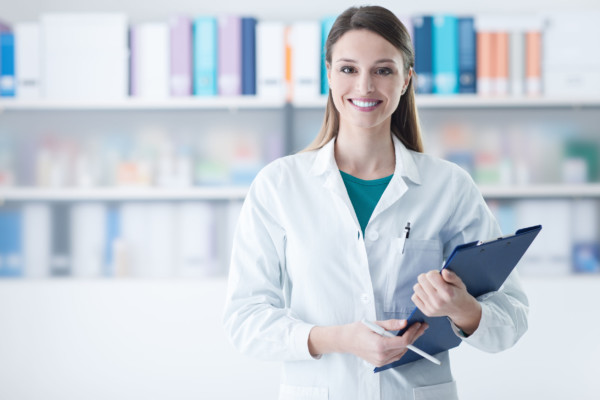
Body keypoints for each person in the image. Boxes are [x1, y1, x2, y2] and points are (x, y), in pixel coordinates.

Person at [223, 5, 528, 400]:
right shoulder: (279, 185)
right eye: (349, 69)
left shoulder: (448, 186)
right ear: (329, 76)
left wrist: (463, 308)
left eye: (383, 70)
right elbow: (244, 321)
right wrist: (337, 338)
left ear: (405, 81)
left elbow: (512, 318)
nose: (365, 86)